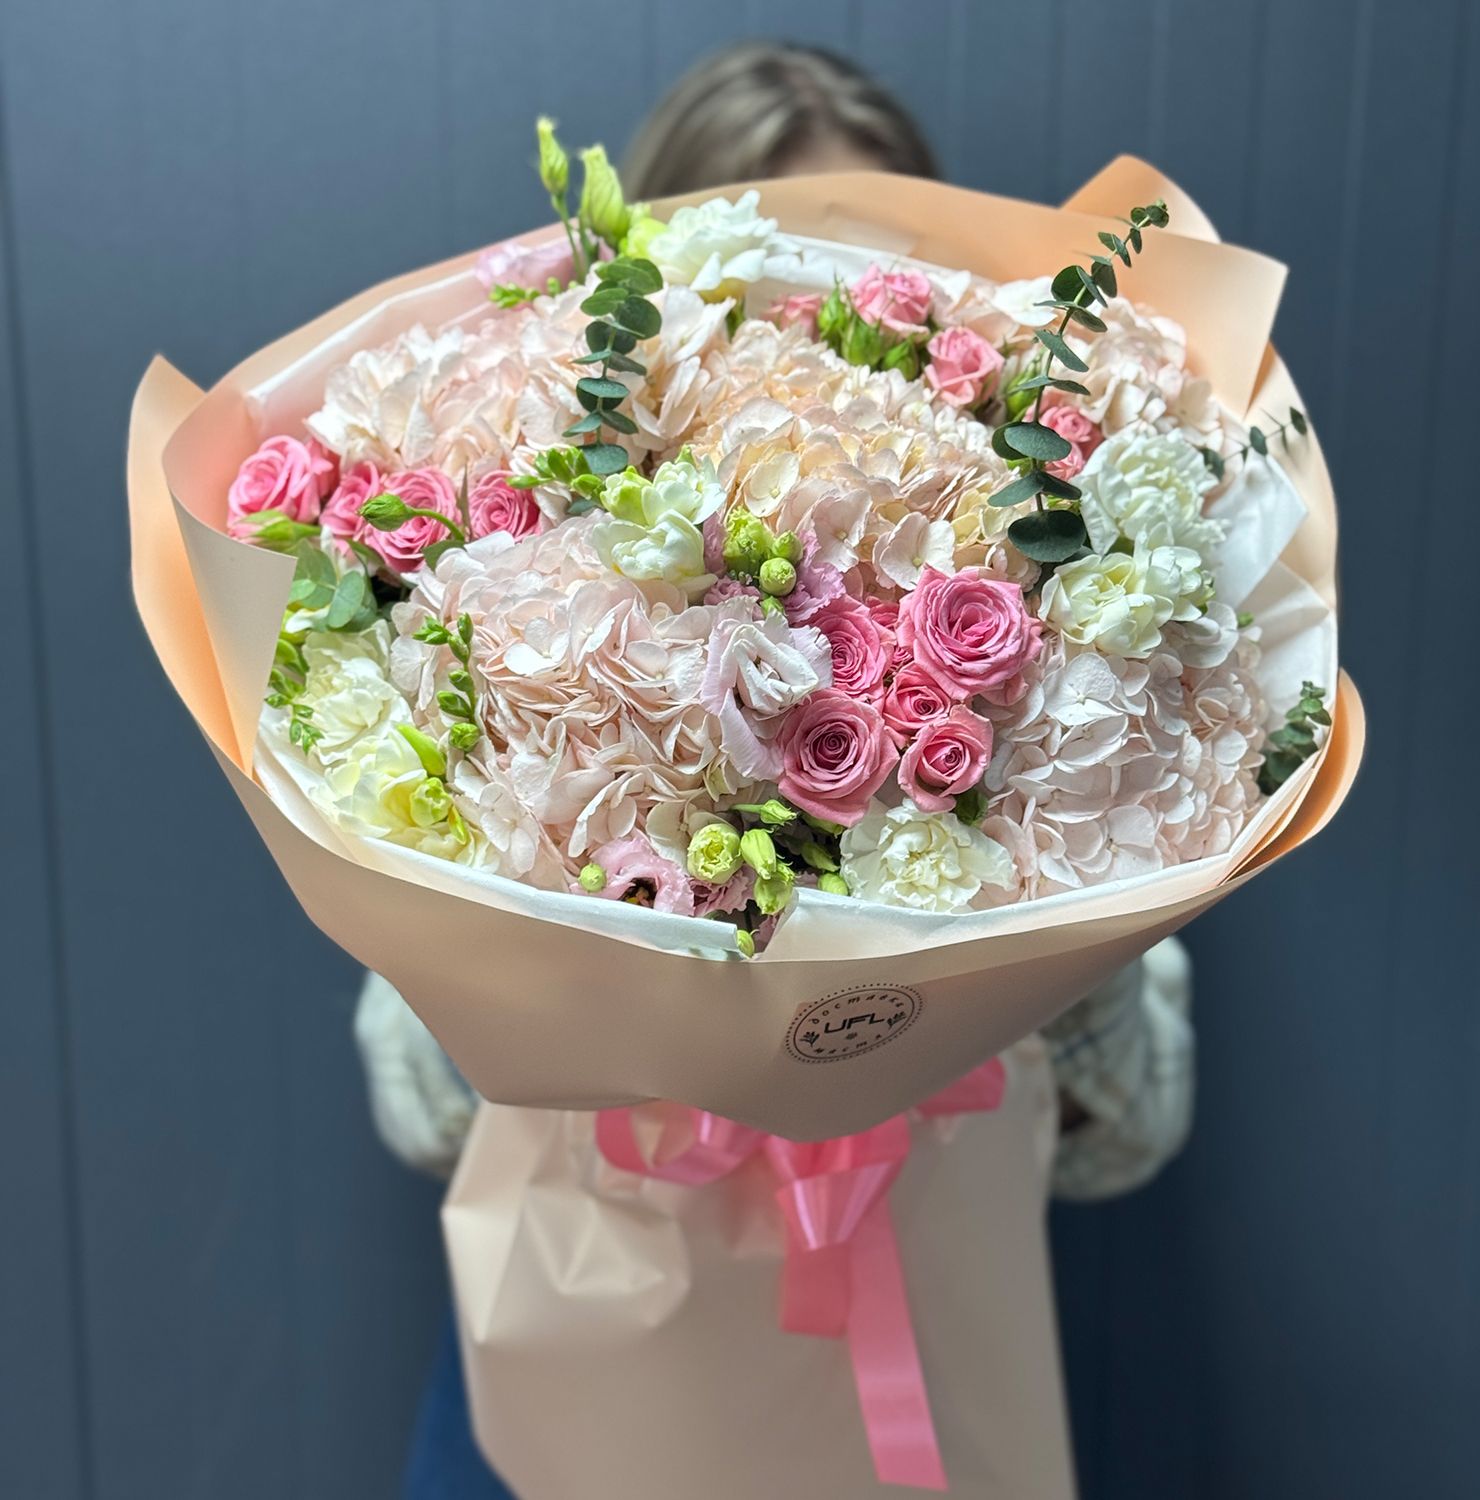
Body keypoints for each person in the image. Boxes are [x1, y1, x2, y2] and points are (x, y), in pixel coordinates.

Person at [369, 41, 1195, 1499]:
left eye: (871, 290)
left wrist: (1040, 931)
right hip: (576, 1369)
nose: (823, 354)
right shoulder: (507, 635)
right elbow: (423, 1111)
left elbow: (1127, 1134)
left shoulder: (1064, 682)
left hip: (914, 1367)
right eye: (776, 291)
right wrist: (588, 962)